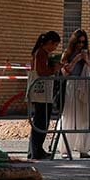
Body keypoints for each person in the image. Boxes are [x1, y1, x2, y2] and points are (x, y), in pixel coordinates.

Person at [58, 29, 90, 159]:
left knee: (87, 117)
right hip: (72, 86)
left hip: (86, 87)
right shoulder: (67, 54)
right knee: (70, 117)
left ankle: (84, 149)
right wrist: (75, 59)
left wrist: (87, 60)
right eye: (78, 42)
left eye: (83, 42)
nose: (81, 45)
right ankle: (66, 149)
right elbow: (64, 72)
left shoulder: (89, 55)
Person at [27, 31, 62, 159]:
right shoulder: (41, 54)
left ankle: (36, 149)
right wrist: (54, 69)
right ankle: (35, 151)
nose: (55, 48)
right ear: (49, 43)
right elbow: (41, 72)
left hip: (42, 94)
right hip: (40, 94)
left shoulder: (42, 53)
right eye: (55, 45)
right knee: (40, 122)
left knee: (41, 121)